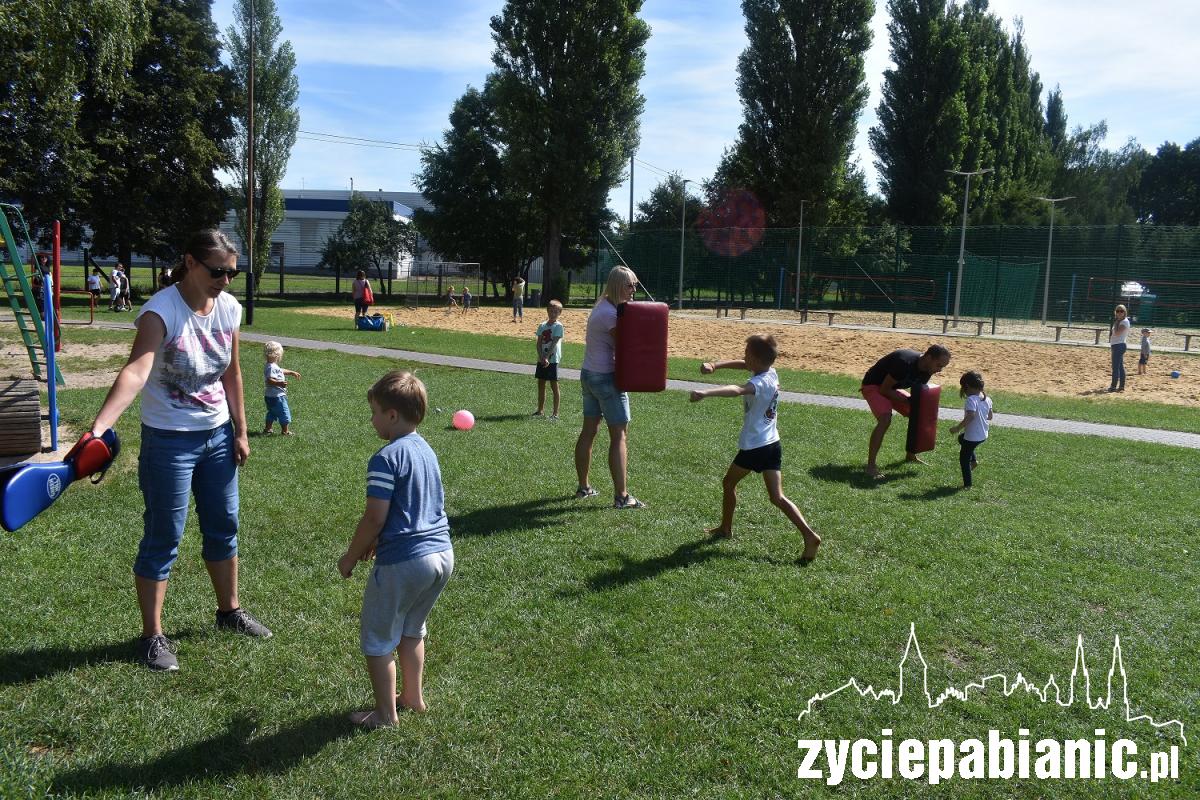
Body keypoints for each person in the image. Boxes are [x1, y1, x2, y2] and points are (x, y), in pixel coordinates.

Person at [86, 229, 269, 671]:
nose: (225, 280)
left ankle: (229, 611)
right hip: (169, 440)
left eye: (232, 272)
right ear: (190, 262)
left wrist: (241, 431)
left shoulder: (229, 308)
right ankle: (152, 636)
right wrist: (99, 427)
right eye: (217, 271)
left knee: (224, 525)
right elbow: (136, 371)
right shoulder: (159, 311)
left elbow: (233, 375)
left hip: (218, 435)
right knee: (164, 536)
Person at [338, 370, 454, 727]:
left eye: (374, 412)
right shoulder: (427, 450)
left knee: (377, 639)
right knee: (412, 628)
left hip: (405, 561)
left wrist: (350, 555)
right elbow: (412, 506)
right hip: (442, 555)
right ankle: (413, 698)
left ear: (391, 415)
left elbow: (375, 517)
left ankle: (386, 716)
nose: (372, 420)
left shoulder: (385, 458)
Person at [690, 334, 821, 562]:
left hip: (755, 447)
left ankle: (725, 528)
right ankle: (810, 536)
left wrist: (705, 392)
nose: (743, 357)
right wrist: (716, 365)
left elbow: (738, 390)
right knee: (777, 497)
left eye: (746, 354)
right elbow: (745, 366)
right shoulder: (769, 372)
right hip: (772, 444)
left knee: (728, 482)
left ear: (755, 358)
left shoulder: (758, 383)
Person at [573, 266, 645, 509]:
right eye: (630, 285)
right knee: (619, 435)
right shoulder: (611, 315)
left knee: (589, 430)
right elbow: (625, 347)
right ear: (617, 285)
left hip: (589, 374)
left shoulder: (602, 307)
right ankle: (622, 496)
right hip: (606, 378)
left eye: (635, 285)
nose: (634, 290)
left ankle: (584, 488)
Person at [860, 344, 952, 479]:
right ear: (929, 358)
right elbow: (884, 390)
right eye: (939, 365)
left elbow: (915, 395)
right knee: (885, 419)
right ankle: (871, 467)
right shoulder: (904, 363)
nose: (940, 370)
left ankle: (911, 455)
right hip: (874, 386)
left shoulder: (927, 371)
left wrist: (918, 405)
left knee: (919, 414)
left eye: (943, 367)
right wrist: (908, 401)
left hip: (891, 388)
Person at [947, 370, 994, 489]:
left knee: (963, 459)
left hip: (973, 437)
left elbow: (971, 416)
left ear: (966, 386)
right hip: (983, 434)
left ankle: (967, 485)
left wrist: (958, 427)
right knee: (961, 438)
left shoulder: (971, 399)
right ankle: (973, 461)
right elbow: (990, 416)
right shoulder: (986, 398)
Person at [533, 300, 564, 419]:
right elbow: (539, 342)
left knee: (554, 385)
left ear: (559, 313)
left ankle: (555, 413)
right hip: (541, 359)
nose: (553, 313)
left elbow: (554, 343)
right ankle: (540, 410)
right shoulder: (542, 325)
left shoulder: (559, 326)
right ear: (547, 311)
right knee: (541, 384)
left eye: (556, 311)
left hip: (552, 360)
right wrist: (541, 356)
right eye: (551, 311)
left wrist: (546, 357)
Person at [262, 341, 301, 435]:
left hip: (270, 396)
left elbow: (280, 371)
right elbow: (269, 380)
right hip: (277, 396)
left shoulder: (271, 365)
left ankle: (268, 429)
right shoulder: (271, 367)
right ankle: (285, 431)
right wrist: (279, 383)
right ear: (277, 355)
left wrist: (291, 372)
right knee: (284, 412)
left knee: (272, 412)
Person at [1108, 304, 1131, 392]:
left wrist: (1117, 323)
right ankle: (1121, 386)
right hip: (1116, 345)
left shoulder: (1124, 321)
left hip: (1119, 345)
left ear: (1124, 312)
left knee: (1115, 367)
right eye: (1117, 311)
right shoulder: (1118, 321)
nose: (1119, 313)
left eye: (1121, 311)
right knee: (1120, 367)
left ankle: (1113, 386)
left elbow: (1117, 333)